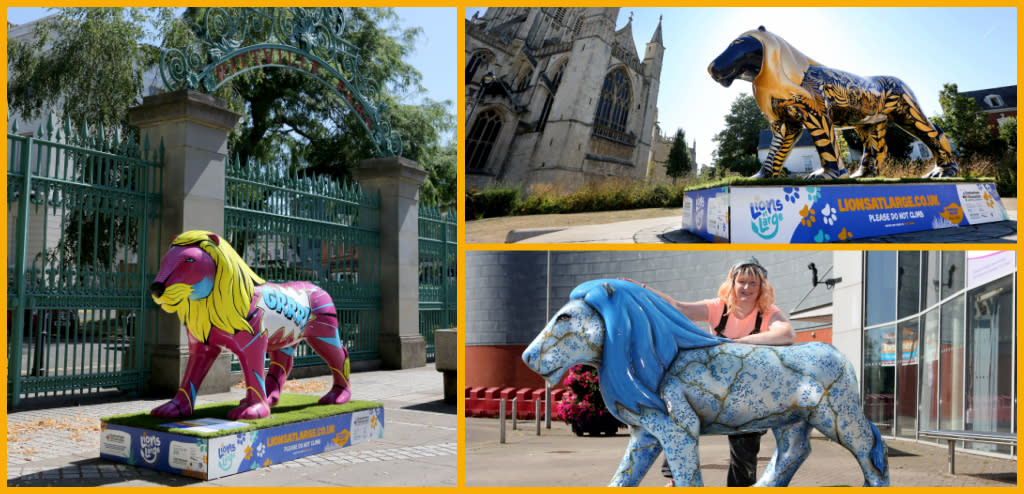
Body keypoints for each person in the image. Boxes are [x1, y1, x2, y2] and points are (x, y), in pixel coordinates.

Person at [625, 257, 796, 487]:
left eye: (753, 283)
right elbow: (677, 308)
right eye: (741, 281)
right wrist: (642, 290)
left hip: (745, 392)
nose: (746, 288)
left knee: (745, 444)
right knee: (677, 411)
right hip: (713, 386)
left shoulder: (768, 312)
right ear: (733, 283)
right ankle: (677, 479)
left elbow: (787, 334)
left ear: (761, 286)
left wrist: (739, 342)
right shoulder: (719, 307)